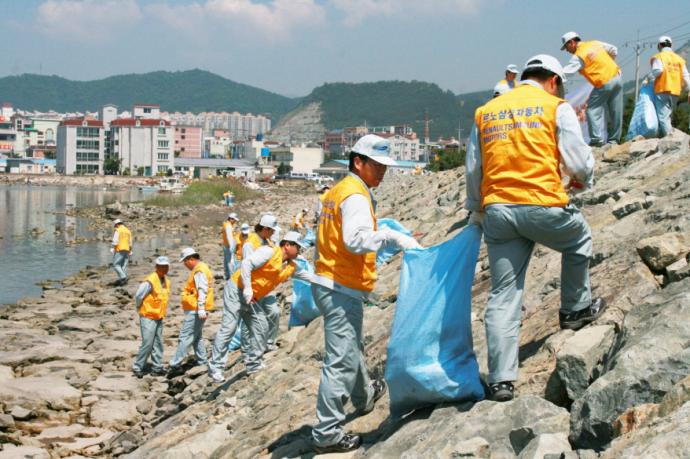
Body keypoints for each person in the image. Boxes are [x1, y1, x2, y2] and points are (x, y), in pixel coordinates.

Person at [465, 54, 606, 403]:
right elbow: (578, 159)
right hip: (542, 205)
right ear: (554, 81)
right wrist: (582, 181)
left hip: (498, 211)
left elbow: (473, 166)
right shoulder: (554, 107)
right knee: (579, 240)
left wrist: (476, 209)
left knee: (504, 293)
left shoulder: (488, 111)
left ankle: (500, 379)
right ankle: (575, 309)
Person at [310, 134, 422, 453]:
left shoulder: (340, 190)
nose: (383, 172)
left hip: (332, 280)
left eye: (385, 166)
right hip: (339, 285)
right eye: (377, 165)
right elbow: (356, 240)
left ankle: (364, 396)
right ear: (358, 162)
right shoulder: (356, 195)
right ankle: (326, 432)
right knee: (341, 360)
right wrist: (392, 237)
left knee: (350, 345)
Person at [208, 231, 312, 382]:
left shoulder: (291, 267)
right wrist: (248, 289)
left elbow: (311, 278)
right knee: (229, 328)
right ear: (287, 245)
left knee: (261, 325)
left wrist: (337, 286)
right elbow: (246, 263)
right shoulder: (268, 252)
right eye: (298, 247)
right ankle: (215, 367)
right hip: (237, 290)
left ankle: (253, 364)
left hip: (252, 298)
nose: (300, 251)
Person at [561, 31, 623, 146]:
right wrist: (608, 64)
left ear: (572, 42)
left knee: (591, 110)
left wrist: (552, 76)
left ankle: (596, 140)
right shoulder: (595, 43)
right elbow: (614, 50)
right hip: (616, 76)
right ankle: (614, 140)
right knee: (616, 111)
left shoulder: (579, 55)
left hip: (603, 82)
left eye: (566, 47)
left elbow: (567, 72)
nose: (567, 50)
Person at [169, 247, 215, 374]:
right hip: (196, 309)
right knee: (196, 337)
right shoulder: (200, 268)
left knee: (185, 336)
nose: (184, 264)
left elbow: (202, 290)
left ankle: (175, 363)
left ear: (191, 259)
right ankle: (202, 361)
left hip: (196, 310)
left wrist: (201, 309)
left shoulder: (199, 271)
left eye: (185, 261)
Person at [132, 256, 171, 378]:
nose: (164, 269)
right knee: (148, 343)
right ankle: (138, 366)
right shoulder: (150, 281)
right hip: (148, 316)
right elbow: (139, 296)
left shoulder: (166, 281)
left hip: (158, 316)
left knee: (158, 343)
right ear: (156, 267)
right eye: (161, 266)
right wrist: (139, 307)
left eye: (166, 266)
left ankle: (157, 367)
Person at [645, 35, 690, 137]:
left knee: (663, 117)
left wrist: (648, 78)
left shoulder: (659, 56)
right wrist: (688, 89)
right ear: (671, 45)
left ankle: (670, 139)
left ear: (659, 45)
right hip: (675, 91)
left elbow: (658, 70)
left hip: (662, 89)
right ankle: (665, 137)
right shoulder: (679, 59)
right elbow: (686, 75)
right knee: (668, 115)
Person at [111, 219, 132, 286]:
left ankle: (123, 277)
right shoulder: (128, 231)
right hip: (127, 249)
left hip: (120, 249)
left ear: (117, 224)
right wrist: (130, 250)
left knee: (116, 265)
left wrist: (112, 248)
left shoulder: (118, 230)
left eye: (115, 225)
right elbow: (130, 243)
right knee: (124, 265)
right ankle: (123, 281)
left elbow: (115, 241)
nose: (115, 227)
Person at [222, 212, 240, 279]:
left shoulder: (226, 224)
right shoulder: (228, 226)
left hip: (225, 245)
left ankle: (227, 275)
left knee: (226, 261)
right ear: (231, 219)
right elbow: (229, 237)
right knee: (230, 262)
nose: (235, 222)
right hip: (228, 246)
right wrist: (232, 248)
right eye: (234, 220)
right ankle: (231, 277)